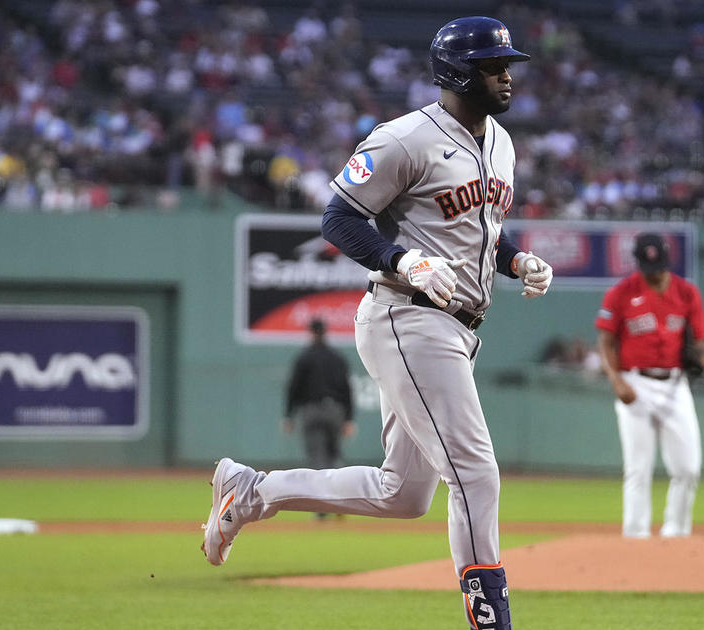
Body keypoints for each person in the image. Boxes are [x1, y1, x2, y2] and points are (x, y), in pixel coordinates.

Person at [200, 17, 551, 630]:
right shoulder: (405, 139)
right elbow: (338, 219)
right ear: (459, 72)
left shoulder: (501, 143)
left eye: (507, 64)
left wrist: (515, 258)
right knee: (475, 472)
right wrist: (401, 259)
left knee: (404, 494)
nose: (507, 75)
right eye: (496, 65)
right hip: (407, 317)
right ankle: (491, 620)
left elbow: (477, 231)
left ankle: (253, 491)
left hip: (456, 327)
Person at [595, 233, 704, 539]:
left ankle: (676, 534)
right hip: (635, 382)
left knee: (688, 468)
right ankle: (636, 537)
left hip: (674, 384)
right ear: (639, 262)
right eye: (648, 265)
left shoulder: (686, 292)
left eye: (659, 265)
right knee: (638, 469)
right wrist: (616, 380)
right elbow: (605, 342)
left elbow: (700, 342)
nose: (654, 271)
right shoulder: (621, 293)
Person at [282, 318, 355, 519]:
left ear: (311, 333)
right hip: (335, 411)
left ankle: (323, 507)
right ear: (325, 332)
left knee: (318, 459)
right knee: (335, 457)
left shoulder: (304, 357)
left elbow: (293, 388)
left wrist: (289, 415)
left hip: (311, 411)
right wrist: (349, 418)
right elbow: (347, 389)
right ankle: (342, 503)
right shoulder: (337, 358)